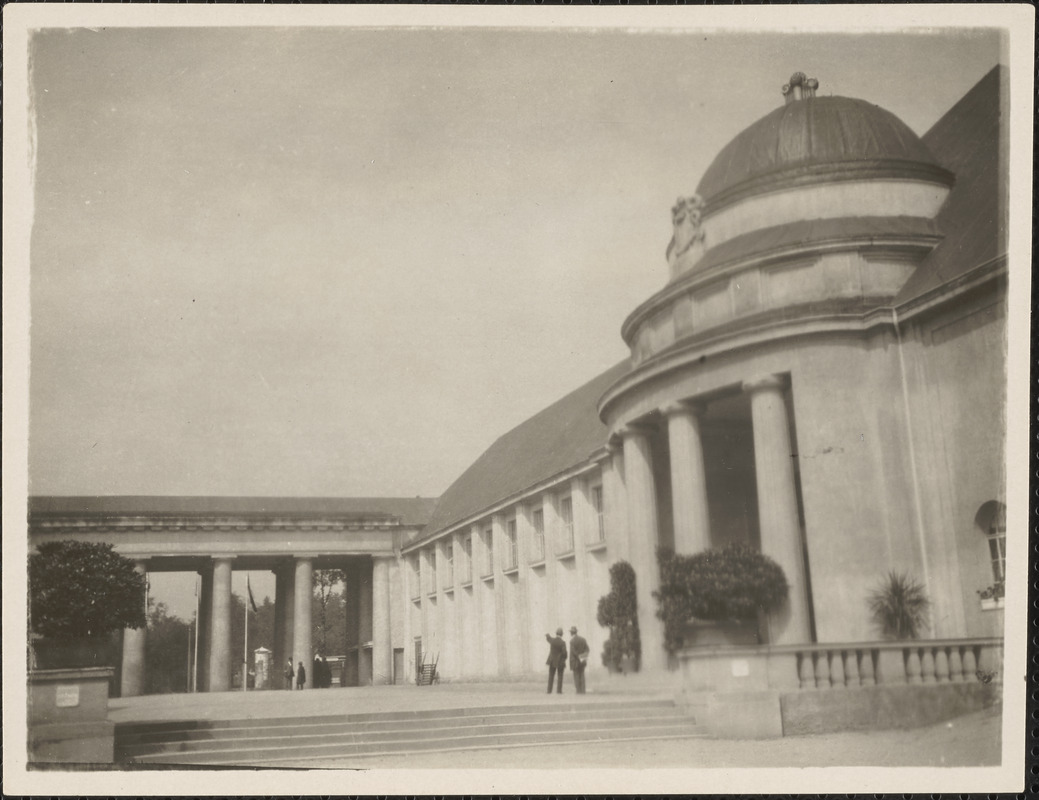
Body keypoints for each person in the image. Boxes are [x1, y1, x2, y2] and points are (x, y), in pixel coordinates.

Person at [545, 628, 567, 695]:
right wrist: (564, 659)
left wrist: (547, 634)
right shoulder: (563, 642)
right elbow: (564, 653)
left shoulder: (552, 641)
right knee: (560, 676)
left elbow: (548, 638)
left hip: (552, 661)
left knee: (551, 675)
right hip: (560, 661)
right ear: (562, 634)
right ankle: (559, 691)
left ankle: (549, 690)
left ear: (556, 633)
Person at [568, 626, 590, 695]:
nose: (570, 633)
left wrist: (579, 657)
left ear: (572, 633)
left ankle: (578, 691)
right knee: (582, 676)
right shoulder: (583, 639)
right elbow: (587, 649)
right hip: (582, 661)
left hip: (575, 662)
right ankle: (583, 691)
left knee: (576, 676)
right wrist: (582, 658)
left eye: (570, 632)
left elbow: (574, 652)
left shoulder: (572, 641)